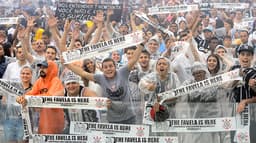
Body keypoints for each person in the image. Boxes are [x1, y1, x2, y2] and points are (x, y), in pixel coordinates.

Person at [65, 43, 144, 124]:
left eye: (111, 66)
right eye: (105, 67)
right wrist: (67, 65)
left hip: (129, 117)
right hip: (113, 120)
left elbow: (134, 59)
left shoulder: (122, 72)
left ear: (115, 67)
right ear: (102, 69)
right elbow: (83, 73)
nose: (108, 69)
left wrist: (141, 44)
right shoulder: (100, 78)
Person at [16, 60, 65, 134]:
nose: (41, 69)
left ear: (51, 68)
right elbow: (31, 93)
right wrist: (22, 98)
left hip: (55, 117)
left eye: (44, 67)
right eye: (41, 67)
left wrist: (31, 98)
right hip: (43, 116)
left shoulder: (56, 81)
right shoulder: (40, 81)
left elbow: (49, 97)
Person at [139, 57, 180, 122]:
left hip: (170, 109)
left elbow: (178, 92)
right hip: (152, 109)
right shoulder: (152, 76)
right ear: (156, 67)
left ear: (168, 66)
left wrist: (164, 99)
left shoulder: (173, 76)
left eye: (164, 64)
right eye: (159, 64)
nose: (161, 65)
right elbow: (141, 82)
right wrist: (147, 86)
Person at [2, 66, 33, 143]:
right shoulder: (12, 85)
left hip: (25, 121)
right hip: (10, 119)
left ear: (31, 75)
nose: (25, 75)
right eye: (23, 73)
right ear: (20, 74)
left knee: (22, 141)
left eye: (27, 74)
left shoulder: (34, 88)